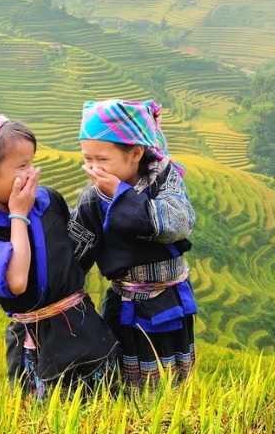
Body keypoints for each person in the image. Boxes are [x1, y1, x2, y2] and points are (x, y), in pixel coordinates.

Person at [0, 111, 119, 398]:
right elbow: (16, 281)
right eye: (22, 165)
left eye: (32, 162)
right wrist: (18, 215)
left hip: (87, 332)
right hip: (36, 351)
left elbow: (78, 252)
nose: (32, 173)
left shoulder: (48, 200)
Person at [70, 99, 197, 391]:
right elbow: (76, 253)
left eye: (102, 159)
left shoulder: (165, 179)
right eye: (87, 159)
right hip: (129, 307)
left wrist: (121, 195)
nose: (92, 167)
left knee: (176, 380)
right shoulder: (92, 200)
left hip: (173, 298)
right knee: (132, 383)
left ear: (136, 153)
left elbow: (180, 222)